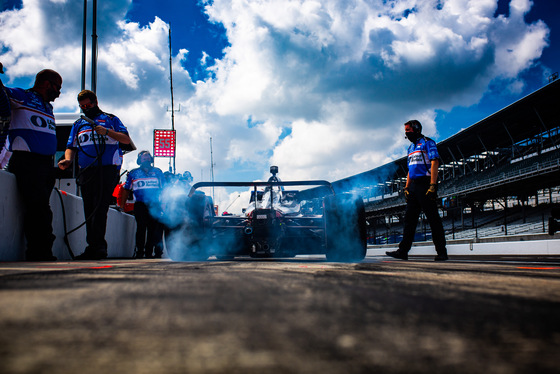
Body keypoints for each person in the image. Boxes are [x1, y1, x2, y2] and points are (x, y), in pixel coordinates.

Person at [58, 90, 131, 260]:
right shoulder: (78, 124)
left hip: (107, 169)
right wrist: (68, 160)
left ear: (95, 102)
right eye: (82, 106)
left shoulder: (111, 119)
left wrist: (107, 132)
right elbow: (71, 146)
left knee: (100, 208)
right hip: (86, 170)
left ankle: (98, 247)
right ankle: (92, 246)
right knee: (89, 208)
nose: (85, 108)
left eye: (88, 105)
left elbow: (126, 140)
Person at [0, 68, 62, 261]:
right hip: (27, 160)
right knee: (38, 207)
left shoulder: (48, 107)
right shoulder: (21, 95)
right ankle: (39, 252)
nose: (58, 92)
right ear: (47, 83)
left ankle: (41, 249)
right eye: (57, 87)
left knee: (44, 207)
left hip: (46, 164)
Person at [386, 120, 449, 261]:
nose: (406, 133)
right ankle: (403, 251)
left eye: (408, 130)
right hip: (414, 186)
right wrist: (407, 187)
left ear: (416, 129)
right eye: (405, 131)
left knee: (433, 219)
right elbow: (410, 169)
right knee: (409, 220)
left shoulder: (428, 143)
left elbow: (435, 162)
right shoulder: (410, 148)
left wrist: (433, 185)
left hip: (425, 184)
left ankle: (442, 252)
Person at [121, 151, 165, 258]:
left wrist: (164, 205)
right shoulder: (133, 173)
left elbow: (164, 189)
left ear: (151, 159)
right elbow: (126, 190)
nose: (146, 160)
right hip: (140, 204)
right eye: (144, 158)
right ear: (139, 160)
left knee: (152, 228)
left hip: (155, 204)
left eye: (148, 158)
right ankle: (139, 252)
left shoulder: (158, 172)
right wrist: (121, 205)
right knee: (141, 228)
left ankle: (149, 252)